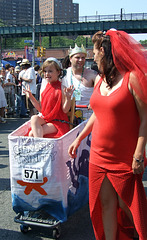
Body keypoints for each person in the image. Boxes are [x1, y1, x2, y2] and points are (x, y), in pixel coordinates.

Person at [68, 29, 147, 240]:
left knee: (129, 207)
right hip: (98, 156)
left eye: (94, 51)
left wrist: (139, 153)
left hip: (124, 158)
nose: (93, 56)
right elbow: (97, 114)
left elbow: (145, 117)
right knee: (105, 206)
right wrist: (79, 137)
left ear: (103, 51)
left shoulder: (133, 78)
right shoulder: (101, 80)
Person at [24, 57, 74, 138]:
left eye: (50, 71)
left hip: (58, 121)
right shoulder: (43, 88)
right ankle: (39, 146)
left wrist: (68, 98)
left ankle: (39, 146)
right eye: (45, 71)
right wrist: (30, 96)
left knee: (32, 134)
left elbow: (65, 110)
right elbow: (40, 109)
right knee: (34, 118)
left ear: (58, 72)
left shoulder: (62, 88)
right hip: (47, 119)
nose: (47, 74)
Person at [62, 44, 98, 118]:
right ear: (70, 58)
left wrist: (94, 102)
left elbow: (102, 92)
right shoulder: (64, 74)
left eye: (83, 58)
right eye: (77, 57)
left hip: (88, 115)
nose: (81, 60)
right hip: (69, 115)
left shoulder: (92, 74)